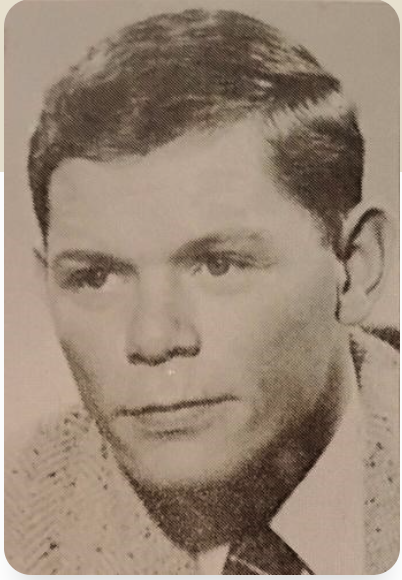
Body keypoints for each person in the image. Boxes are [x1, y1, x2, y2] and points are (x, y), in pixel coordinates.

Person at [5, 8, 399, 575]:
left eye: (218, 266)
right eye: (95, 277)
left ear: (355, 268)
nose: (153, 339)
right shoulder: (20, 516)